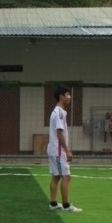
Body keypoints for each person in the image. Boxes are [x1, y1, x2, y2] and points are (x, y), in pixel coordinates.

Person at [47, 85, 82, 213]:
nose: (69, 97)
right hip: (58, 151)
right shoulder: (59, 112)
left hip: (54, 149)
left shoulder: (59, 112)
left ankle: (53, 203)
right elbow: (59, 133)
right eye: (67, 94)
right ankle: (66, 206)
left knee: (56, 176)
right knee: (66, 176)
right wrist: (67, 150)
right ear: (61, 96)